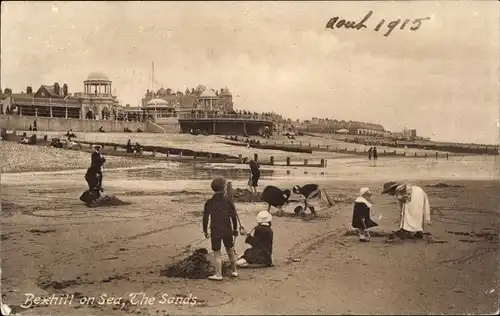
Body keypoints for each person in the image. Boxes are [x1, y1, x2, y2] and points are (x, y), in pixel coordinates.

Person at [202, 177, 239, 281]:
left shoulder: (209, 202)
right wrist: (235, 229)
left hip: (215, 230)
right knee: (230, 251)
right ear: (224, 188)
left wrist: (205, 230)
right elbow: (233, 217)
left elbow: (205, 218)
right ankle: (234, 271)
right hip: (227, 229)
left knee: (217, 253)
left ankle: (218, 274)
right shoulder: (228, 200)